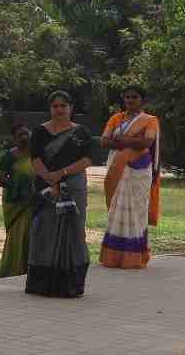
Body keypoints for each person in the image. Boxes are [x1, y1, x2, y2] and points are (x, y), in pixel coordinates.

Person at [28, 91, 95, 298]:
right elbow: (35, 158)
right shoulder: (39, 132)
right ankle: (42, 284)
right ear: (50, 108)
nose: (59, 109)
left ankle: (71, 285)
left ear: (71, 108)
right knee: (44, 230)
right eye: (55, 106)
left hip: (73, 187)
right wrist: (49, 178)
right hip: (45, 187)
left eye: (63, 106)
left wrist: (62, 173)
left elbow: (87, 160)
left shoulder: (81, 133)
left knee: (74, 231)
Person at [99, 85, 160, 270]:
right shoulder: (116, 118)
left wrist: (121, 140)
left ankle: (134, 257)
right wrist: (132, 142)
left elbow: (147, 142)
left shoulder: (150, 120)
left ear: (142, 100)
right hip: (117, 166)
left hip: (139, 170)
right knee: (116, 208)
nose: (130, 100)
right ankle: (113, 257)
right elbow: (104, 141)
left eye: (134, 97)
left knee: (137, 211)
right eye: (127, 97)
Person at [0, 126, 34, 278]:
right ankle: (13, 269)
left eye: (26, 133)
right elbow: (0, 180)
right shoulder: (8, 157)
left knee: (31, 234)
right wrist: (19, 185)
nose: (24, 137)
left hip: (33, 200)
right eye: (20, 135)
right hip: (15, 202)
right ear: (14, 139)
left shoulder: (37, 153)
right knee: (16, 235)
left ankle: (30, 268)